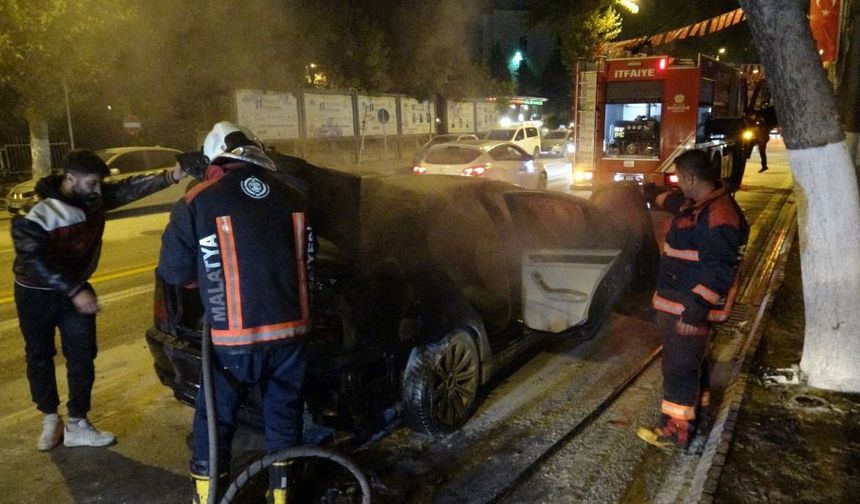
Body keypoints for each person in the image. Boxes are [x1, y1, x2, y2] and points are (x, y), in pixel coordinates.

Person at [157, 121, 312, 504]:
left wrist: (211, 283)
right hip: (292, 332)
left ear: (215, 160)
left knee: (216, 418)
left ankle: (208, 496)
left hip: (233, 339)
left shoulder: (198, 200)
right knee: (284, 415)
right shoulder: (294, 196)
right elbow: (307, 261)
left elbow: (174, 272)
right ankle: (282, 495)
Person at [12, 150, 186, 451]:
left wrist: (172, 176)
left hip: (74, 290)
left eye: (99, 184)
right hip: (36, 294)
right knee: (39, 355)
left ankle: (77, 422)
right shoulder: (35, 212)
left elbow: (128, 188)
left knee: (82, 354)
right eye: (92, 183)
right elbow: (33, 260)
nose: (97, 190)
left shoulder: (93, 198)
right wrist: (74, 290)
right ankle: (50, 418)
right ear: (70, 179)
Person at [637, 149, 749, 449]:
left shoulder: (719, 216)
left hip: (689, 308)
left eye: (678, 178)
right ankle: (697, 412)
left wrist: (695, 312)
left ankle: (677, 430)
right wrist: (651, 194)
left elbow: (720, 270)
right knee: (690, 362)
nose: (677, 184)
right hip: (680, 301)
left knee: (680, 366)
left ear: (689, 178)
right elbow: (674, 203)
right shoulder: (701, 203)